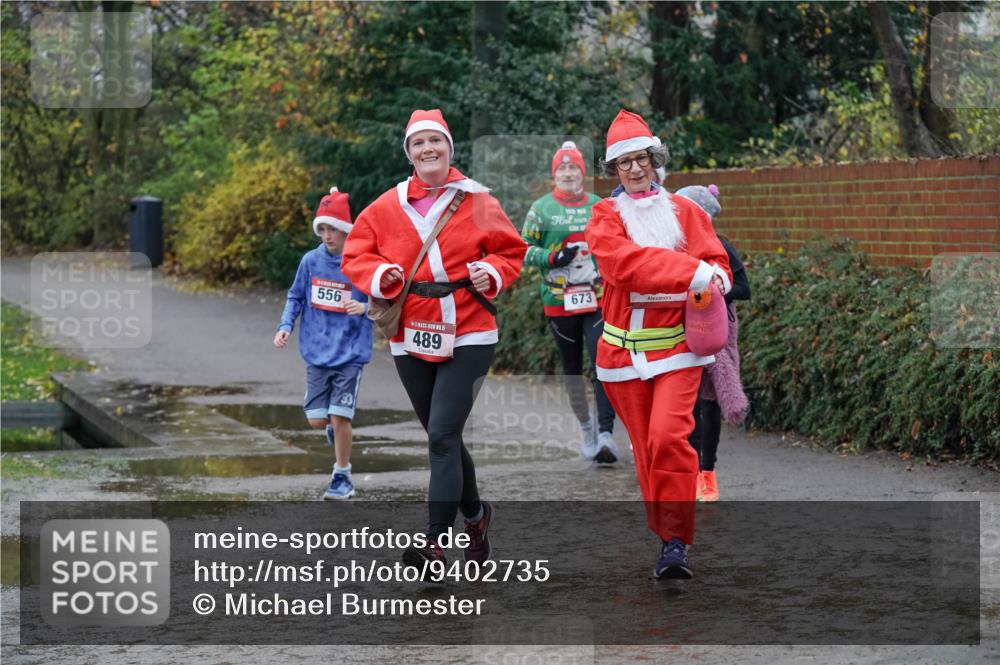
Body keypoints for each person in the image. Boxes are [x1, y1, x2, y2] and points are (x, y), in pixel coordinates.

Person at [342, 109, 526, 573]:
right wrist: (381, 275)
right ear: (409, 153)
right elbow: (356, 254)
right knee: (444, 436)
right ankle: (477, 516)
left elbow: (511, 250)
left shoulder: (478, 199)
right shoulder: (386, 206)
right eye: (419, 143)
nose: (428, 149)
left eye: (435, 141)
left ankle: (433, 545)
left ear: (449, 148)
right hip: (411, 331)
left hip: (470, 328)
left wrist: (492, 272)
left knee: (442, 435)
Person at [584, 109, 732, 580]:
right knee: (648, 450)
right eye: (623, 162)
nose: (634, 169)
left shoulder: (687, 212)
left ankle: (674, 543)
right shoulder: (603, 216)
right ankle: (666, 532)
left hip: (679, 351)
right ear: (614, 168)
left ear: (655, 159)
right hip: (621, 356)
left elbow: (719, 264)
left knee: (669, 438)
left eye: (641, 159)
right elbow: (623, 266)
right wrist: (692, 272)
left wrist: (716, 278)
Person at [521, 140, 619, 464]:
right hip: (558, 300)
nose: (567, 173)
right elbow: (522, 250)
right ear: (554, 175)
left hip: (598, 298)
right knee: (573, 369)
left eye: (573, 167)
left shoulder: (598, 205)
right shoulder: (541, 209)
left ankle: (606, 434)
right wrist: (552, 257)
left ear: (582, 173)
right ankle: (587, 428)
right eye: (561, 168)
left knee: (603, 363)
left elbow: (616, 244)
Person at [274, 187, 373, 500]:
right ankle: (331, 423)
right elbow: (295, 296)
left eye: (334, 229)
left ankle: (342, 477)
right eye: (323, 229)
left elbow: (385, 300)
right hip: (317, 351)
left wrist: (365, 308)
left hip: (350, 353)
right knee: (319, 420)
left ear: (346, 230)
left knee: (341, 417)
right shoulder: (310, 262)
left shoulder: (360, 262)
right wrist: (285, 326)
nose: (328, 236)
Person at [675, 185, 751, 503]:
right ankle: (692, 473)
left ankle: (708, 473)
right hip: (679, 331)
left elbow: (744, 288)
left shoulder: (721, 246)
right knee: (688, 404)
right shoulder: (672, 247)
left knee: (710, 402)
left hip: (717, 331)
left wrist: (715, 291)